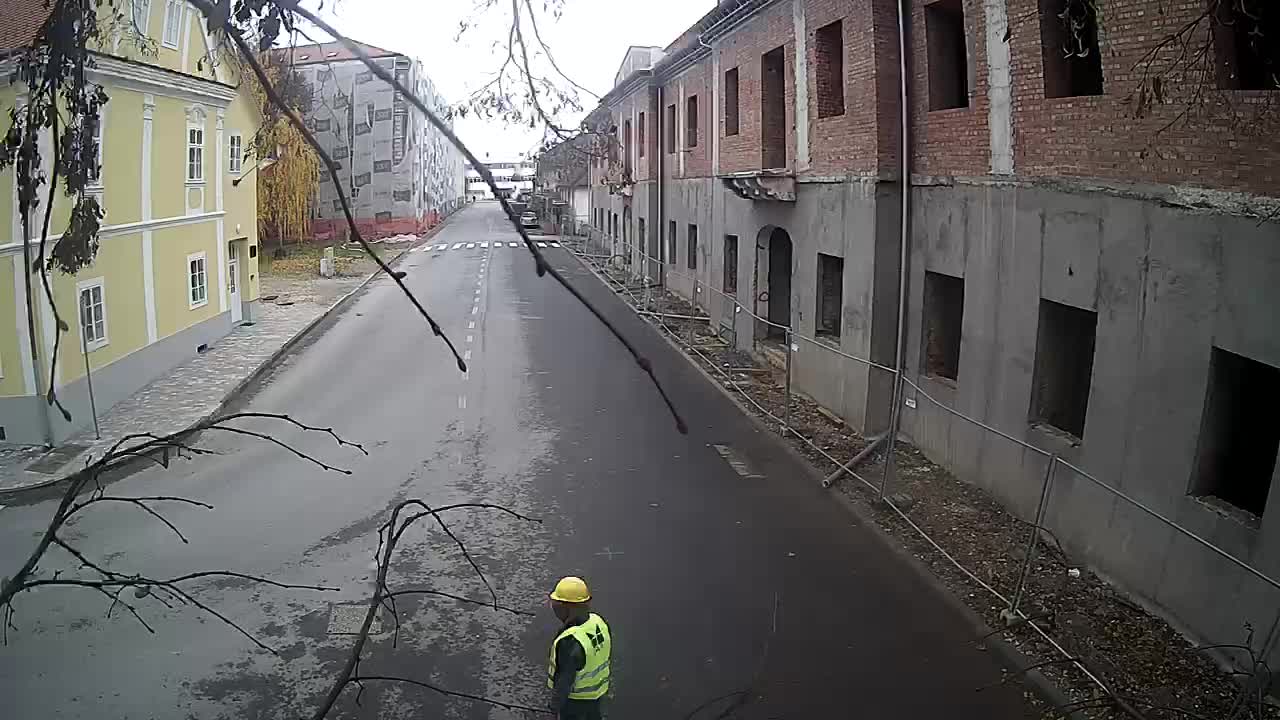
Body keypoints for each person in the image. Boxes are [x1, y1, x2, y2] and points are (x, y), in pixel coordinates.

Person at [546, 576, 611, 720]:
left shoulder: (570, 641)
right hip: (597, 694)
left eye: (556, 604)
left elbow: (564, 681)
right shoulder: (597, 622)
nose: (553, 608)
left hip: (575, 702)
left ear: (567, 607)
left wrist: (553, 709)